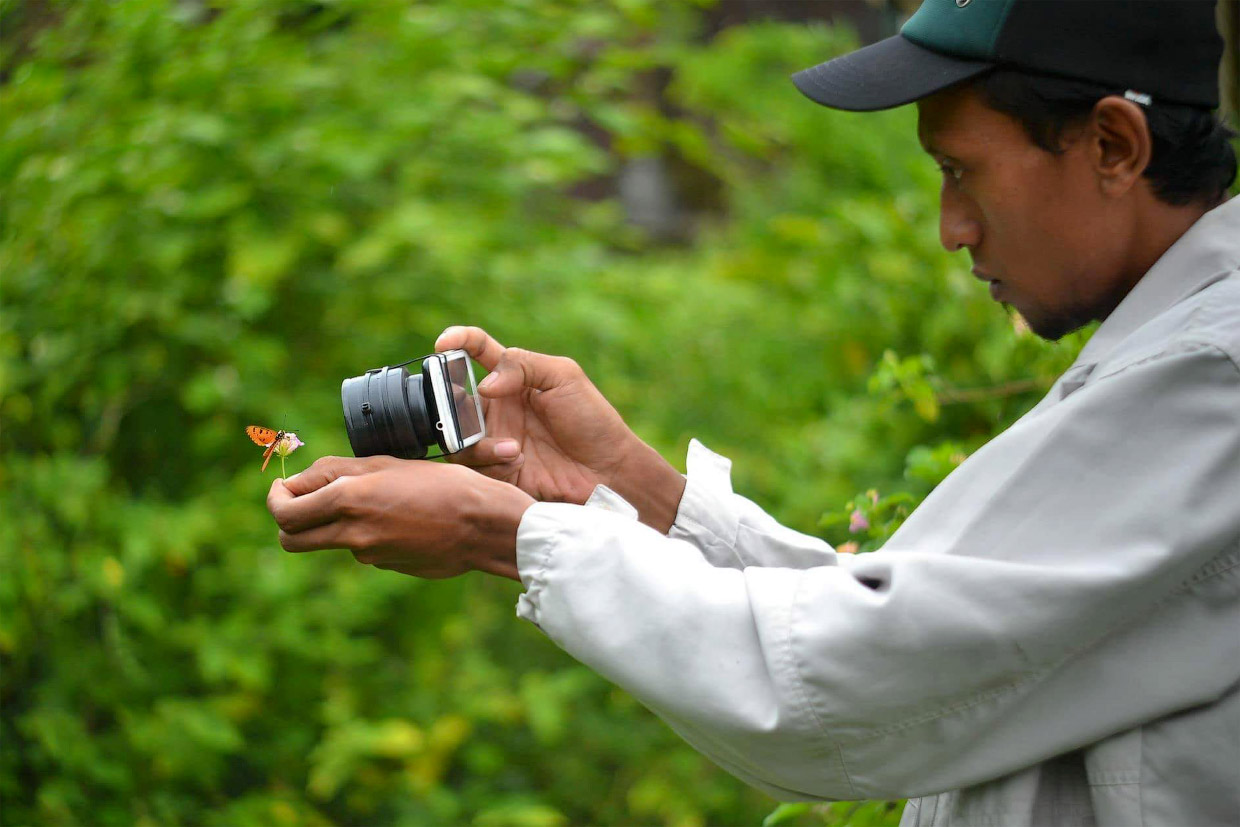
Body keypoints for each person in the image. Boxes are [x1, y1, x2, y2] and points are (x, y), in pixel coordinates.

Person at [267, 1, 1239, 824]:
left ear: (1114, 143)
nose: (951, 230)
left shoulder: (1213, 381)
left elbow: (848, 692)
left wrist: (508, 533)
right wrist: (634, 491)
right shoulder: (1171, 356)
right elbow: (926, 629)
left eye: (959, 170)